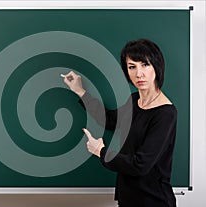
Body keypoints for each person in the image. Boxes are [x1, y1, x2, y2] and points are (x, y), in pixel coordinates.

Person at [62, 39, 177, 207]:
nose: (139, 74)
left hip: (153, 201)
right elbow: (109, 120)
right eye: (132, 67)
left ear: (157, 67)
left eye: (145, 65)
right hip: (128, 197)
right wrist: (80, 91)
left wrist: (101, 151)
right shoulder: (134, 100)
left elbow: (140, 165)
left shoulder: (165, 114)